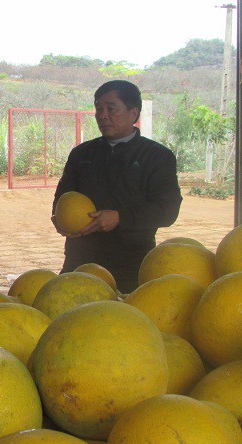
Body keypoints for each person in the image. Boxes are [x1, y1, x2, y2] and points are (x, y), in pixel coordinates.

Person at [52, 80, 182, 294]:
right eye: (98, 109)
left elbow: (167, 211)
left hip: (131, 267)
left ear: (133, 113)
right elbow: (62, 197)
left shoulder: (157, 157)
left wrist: (120, 217)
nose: (103, 116)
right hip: (80, 263)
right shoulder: (82, 154)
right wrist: (59, 219)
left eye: (111, 109)